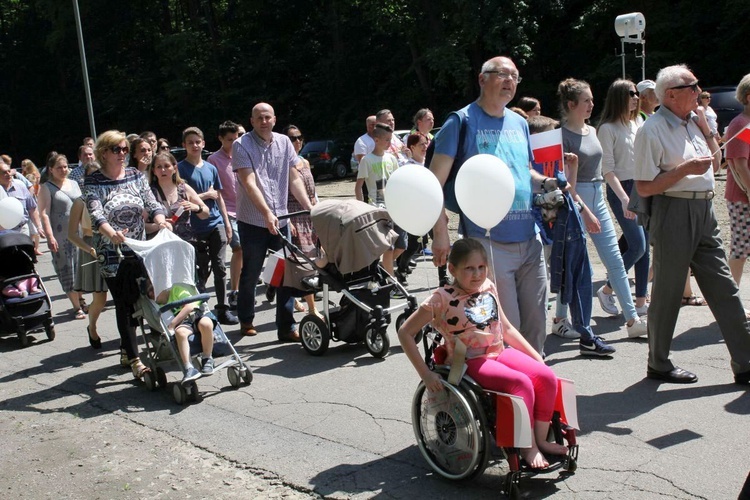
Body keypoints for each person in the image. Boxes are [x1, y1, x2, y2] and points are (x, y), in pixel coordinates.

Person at [398, 238, 568, 469]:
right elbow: (405, 332)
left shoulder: (487, 286)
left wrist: (536, 358)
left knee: (546, 376)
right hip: (469, 360)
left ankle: (540, 439)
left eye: (481, 267)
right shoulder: (441, 298)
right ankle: (527, 448)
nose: (477, 274)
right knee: (521, 384)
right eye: (469, 268)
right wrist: (426, 374)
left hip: (498, 351)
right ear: (452, 269)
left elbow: (506, 328)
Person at [634, 64, 750, 385]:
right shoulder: (652, 129)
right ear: (671, 94)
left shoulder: (693, 123)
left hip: (704, 211)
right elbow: (644, 186)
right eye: (692, 86)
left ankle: (745, 361)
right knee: (669, 290)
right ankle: (658, 362)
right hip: (674, 210)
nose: (699, 91)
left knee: (724, 286)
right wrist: (683, 170)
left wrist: (705, 128)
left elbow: (717, 162)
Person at [430, 56, 550, 355]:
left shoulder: (520, 123)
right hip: (487, 242)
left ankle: (535, 386)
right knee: (505, 329)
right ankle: (509, 392)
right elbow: (433, 182)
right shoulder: (461, 121)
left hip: (529, 236)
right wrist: (440, 232)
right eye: (502, 74)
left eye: (515, 76)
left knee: (537, 325)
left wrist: (548, 183)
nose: (510, 80)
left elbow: (523, 172)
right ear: (482, 79)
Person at [557, 78, 647, 344]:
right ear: (571, 104)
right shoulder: (560, 136)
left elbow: (603, 170)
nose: (591, 105)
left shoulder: (592, 131)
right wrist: (583, 210)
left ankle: (633, 319)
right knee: (571, 263)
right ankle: (560, 319)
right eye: (586, 101)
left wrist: (615, 199)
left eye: (592, 100)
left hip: (597, 196)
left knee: (616, 260)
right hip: (575, 200)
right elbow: (562, 181)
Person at [83, 130, 169, 379]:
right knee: (125, 302)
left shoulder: (134, 174)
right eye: (117, 150)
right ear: (103, 153)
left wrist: (161, 220)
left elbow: (151, 202)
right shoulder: (94, 181)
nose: (122, 154)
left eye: (124, 149)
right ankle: (134, 358)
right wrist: (111, 234)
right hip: (112, 252)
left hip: (139, 247)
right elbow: (96, 212)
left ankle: (127, 347)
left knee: (146, 296)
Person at [231, 102, 312, 341]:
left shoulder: (284, 142)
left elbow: (294, 178)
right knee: (252, 271)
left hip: (282, 217)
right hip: (253, 220)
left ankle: (286, 327)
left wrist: (309, 207)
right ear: (252, 121)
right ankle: (246, 320)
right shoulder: (241, 145)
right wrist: (266, 213)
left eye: (267, 117)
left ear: (274, 119)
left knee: (286, 270)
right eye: (259, 118)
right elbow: (249, 183)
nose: (264, 121)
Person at [598, 79, 649, 315]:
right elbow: (607, 169)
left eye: (637, 93)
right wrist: (624, 198)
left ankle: (640, 302)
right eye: (631, 93)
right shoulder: (607, 128)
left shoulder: (638, 121)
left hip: (641, 186)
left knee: (644, 246)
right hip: (622, 188)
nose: (636, 97)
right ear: (619, 96)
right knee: (637, 245)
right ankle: (608, 289)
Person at [177, 127, 237, 325]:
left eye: (198, 142)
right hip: (193, 227)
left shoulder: (211, 168)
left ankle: (223, 308)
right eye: (190, 142)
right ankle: (201, 310)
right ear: (184, 145)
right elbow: (181, 198)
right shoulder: (179, 169)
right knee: (201, 271)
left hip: (216, 223)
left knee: (220, 268)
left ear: (203, 143)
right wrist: (205, 195)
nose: (195, 145)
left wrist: (227, 223)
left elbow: (218, 196)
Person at [38, 153, 86, 319]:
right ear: (51, 169)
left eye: (65, 166)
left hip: (79, 233)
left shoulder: (73, 183)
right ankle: (76, 306)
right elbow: (43, 213)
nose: (63, 170)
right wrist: (50, 237)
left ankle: (81, 298)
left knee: (80, 267)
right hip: (61, 236)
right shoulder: (47, 187)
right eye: (59, 167)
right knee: (66, 269)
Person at [354, 123, 404, 278]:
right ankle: (391, 282)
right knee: (388, 247)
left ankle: (382, 267)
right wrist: (361, 208)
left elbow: (397, 183)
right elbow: (359, 186)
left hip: (394, 208)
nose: (390, 143)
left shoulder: (391, 159)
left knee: (402, 245)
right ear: (376, 140)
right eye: (387, 140)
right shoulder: (367, 160)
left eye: (391, 139)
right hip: (377, 209)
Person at [283, 124, 320, 316]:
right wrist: (287, 220)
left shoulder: (304, 162)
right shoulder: (283, 164)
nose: (297, 141)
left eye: (299, 137)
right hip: (293, 214)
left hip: (310, 215)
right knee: (303, 262)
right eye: (292, 138)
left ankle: (291, 292)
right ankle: (312, 309)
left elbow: (312, 191)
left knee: (313, 258)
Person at [207, 120, 243, 311]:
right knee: (238, 249)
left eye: (236, 138)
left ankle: (247, 288)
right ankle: (235, 291)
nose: (234, 143)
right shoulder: (214, 160)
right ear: (221, 139)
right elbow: (216, 190)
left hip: (247, 209)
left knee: (252, 251)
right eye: (230, 140)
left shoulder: (243, 155)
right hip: (228, 211)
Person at [68, 191, 109, 350]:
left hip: (113, 243)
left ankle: (127, 345)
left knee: (123, 299)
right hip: (92, 245)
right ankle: (92, 326)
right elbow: (71, 234)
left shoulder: (111, 194)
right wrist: (89, 249)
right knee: (100, 299)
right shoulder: (80, 201)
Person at [153, 283, 216, 384]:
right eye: (149, 293)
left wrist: (172, 325)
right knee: (180, 332)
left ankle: (207, 358)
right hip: (185, 322)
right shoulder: (161, 303)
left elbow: (189, 307)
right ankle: (189, 367)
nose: (152, 295)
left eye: (153, 291)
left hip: (198, 314)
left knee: (206, 324)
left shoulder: (176, 289)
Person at [724, 74, 750, 289]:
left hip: (745, 195)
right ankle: (731, 302)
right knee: (741, 249)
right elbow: (740, 164)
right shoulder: (741, 123)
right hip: (742, 197)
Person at [150, 152, 208, 242]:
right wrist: (159, 225)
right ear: (154, 171)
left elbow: (206, 213)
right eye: (159, 167)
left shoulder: (184, 189)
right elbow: (142, 224)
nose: (163, 170)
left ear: (175, 168)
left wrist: (196, 208)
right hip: (161, 244)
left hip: (185, 243)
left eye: (166, 166)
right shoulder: (149, 193)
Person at [0, 158, 43, 237]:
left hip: (23, 231)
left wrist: (39, 227)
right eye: (4, 172)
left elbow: (32, 208)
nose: (8, 174)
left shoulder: (20, 185)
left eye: (9, 171)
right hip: (3, 234)